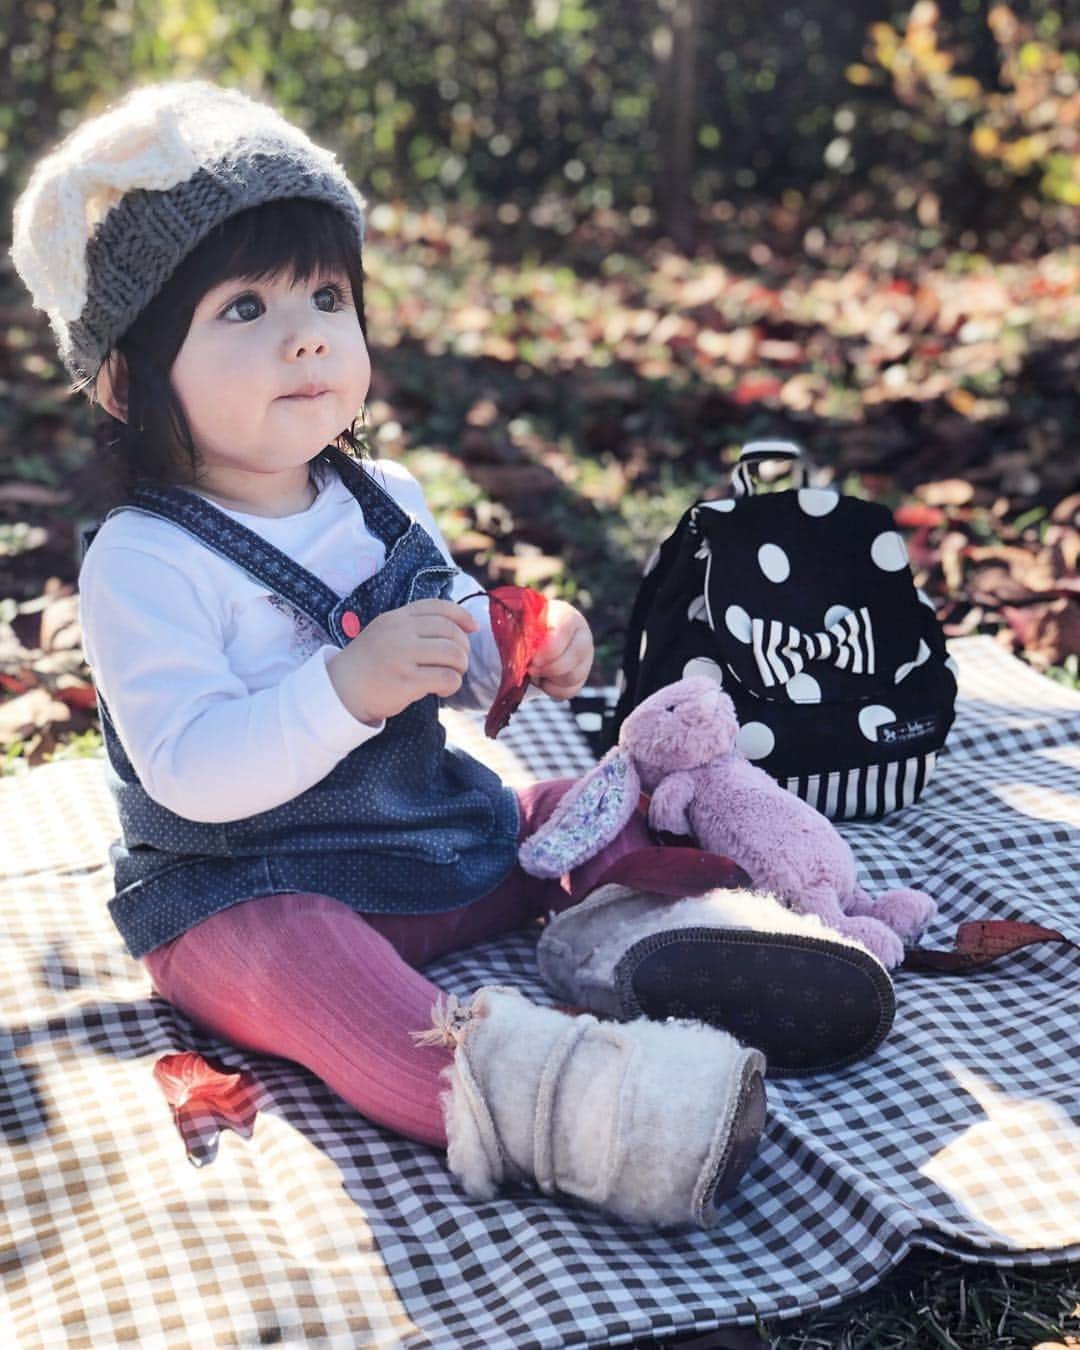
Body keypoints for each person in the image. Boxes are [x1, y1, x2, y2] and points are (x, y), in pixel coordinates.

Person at [13, 81, 890, 1230]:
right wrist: (341, 689)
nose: (307, 333)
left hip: (431, 843)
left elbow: (463, 649)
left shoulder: (388, 501)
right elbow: (188, 768)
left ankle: (708, 928)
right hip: (241, 892)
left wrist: (526, 646)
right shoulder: (146, 560)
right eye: (243, 309)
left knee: (598, 803)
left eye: (327, 294)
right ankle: (575, 1102)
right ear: (129, 378)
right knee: (317, 976)